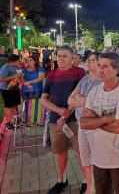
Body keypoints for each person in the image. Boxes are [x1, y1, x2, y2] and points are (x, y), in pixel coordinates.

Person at [80, 52, 119, 194]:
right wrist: (106, 118)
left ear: (116, 70)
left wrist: (95, 119)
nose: (99, 70)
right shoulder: (94, 91)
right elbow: (84, 123)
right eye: (99, 65)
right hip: (98, 157)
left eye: (104, 67)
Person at [40, 46, 86, 194]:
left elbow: (80, 97)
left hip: (75, 119)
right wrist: (59, 111)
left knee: (81, 151)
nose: (60, 58)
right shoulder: (51, 75)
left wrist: (65, 114)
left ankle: (86, 180)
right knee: (59, 151)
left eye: (64, 56)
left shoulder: (79, 73)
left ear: (73, 58)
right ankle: (61, 180)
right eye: (58, 56)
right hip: (55, 120)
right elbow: (44, 98)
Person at [67, 52, 102, 194]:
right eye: (88, 60)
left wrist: (80, 99)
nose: (89, 62)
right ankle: (90, 187)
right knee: (85, 158)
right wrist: (84, 100)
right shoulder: (85, 79)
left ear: (100, 64)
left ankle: (98, 187)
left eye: (93, 60)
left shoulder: (102, 80)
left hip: (96, 126)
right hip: (81, 125)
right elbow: (70, 99)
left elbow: (97, 103)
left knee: (97, 159)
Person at [0, 54, 22, 129]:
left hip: (14, 88)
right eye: (17, 61)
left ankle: (16, 120)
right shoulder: (5, 68)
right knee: (8, 106)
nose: (19, 62)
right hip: (6, 90)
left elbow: (18, 75)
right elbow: (1, 79)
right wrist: (14, 76)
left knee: (15, 104)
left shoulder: (15, 66)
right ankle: (8, 123)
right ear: (12, 62)